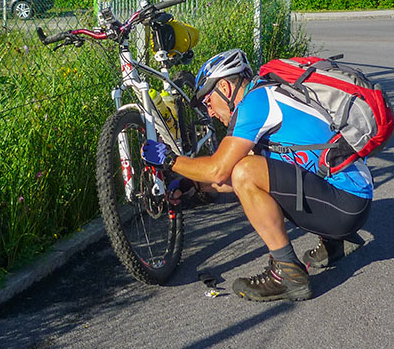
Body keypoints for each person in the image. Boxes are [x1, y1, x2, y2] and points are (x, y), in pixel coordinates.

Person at [141, 49, 373, 302]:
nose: (209, 112)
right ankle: (336, 242)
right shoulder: (270, 94)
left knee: (245, 171)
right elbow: (237, 179)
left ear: (225, 88)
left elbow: (221, 171)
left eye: (208, 101)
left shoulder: (256, 102)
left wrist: (170, 160)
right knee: (248, 167)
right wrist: (192, 184)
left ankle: (287, 275)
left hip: (344, 204)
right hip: (349, 196)